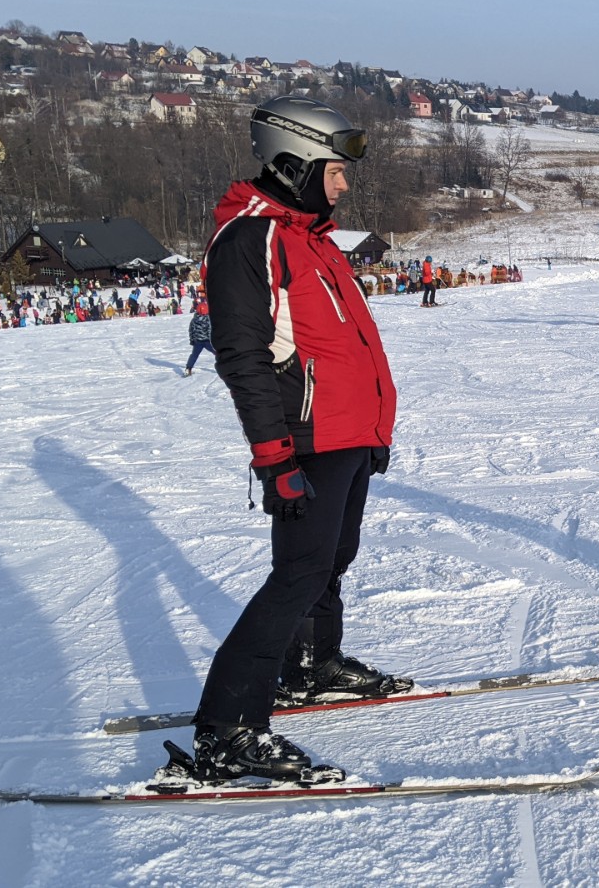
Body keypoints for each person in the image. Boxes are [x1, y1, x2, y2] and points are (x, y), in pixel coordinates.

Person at [193, 95, 406, 782]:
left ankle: (314, 666)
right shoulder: (248, 241)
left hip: (347, 435)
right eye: (333, 171)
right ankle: (228, 728)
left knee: (330, 560)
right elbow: (244, 359)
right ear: (292, 165)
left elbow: (344, 343)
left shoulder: (311, 238)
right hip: (304, 441)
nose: (343, 184)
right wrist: (274, 457)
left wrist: (373, 428)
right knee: (296, 577)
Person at [184, 299, 213, 376]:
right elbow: (210, 331)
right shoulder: (208, 319)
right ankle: (227, 368)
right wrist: (213, 340)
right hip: (208, 341)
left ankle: (188, 369)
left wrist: (192, 340)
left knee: (194, 355)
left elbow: (191, 331)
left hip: (198, 342)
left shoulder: (194, 320)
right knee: (218, 353)